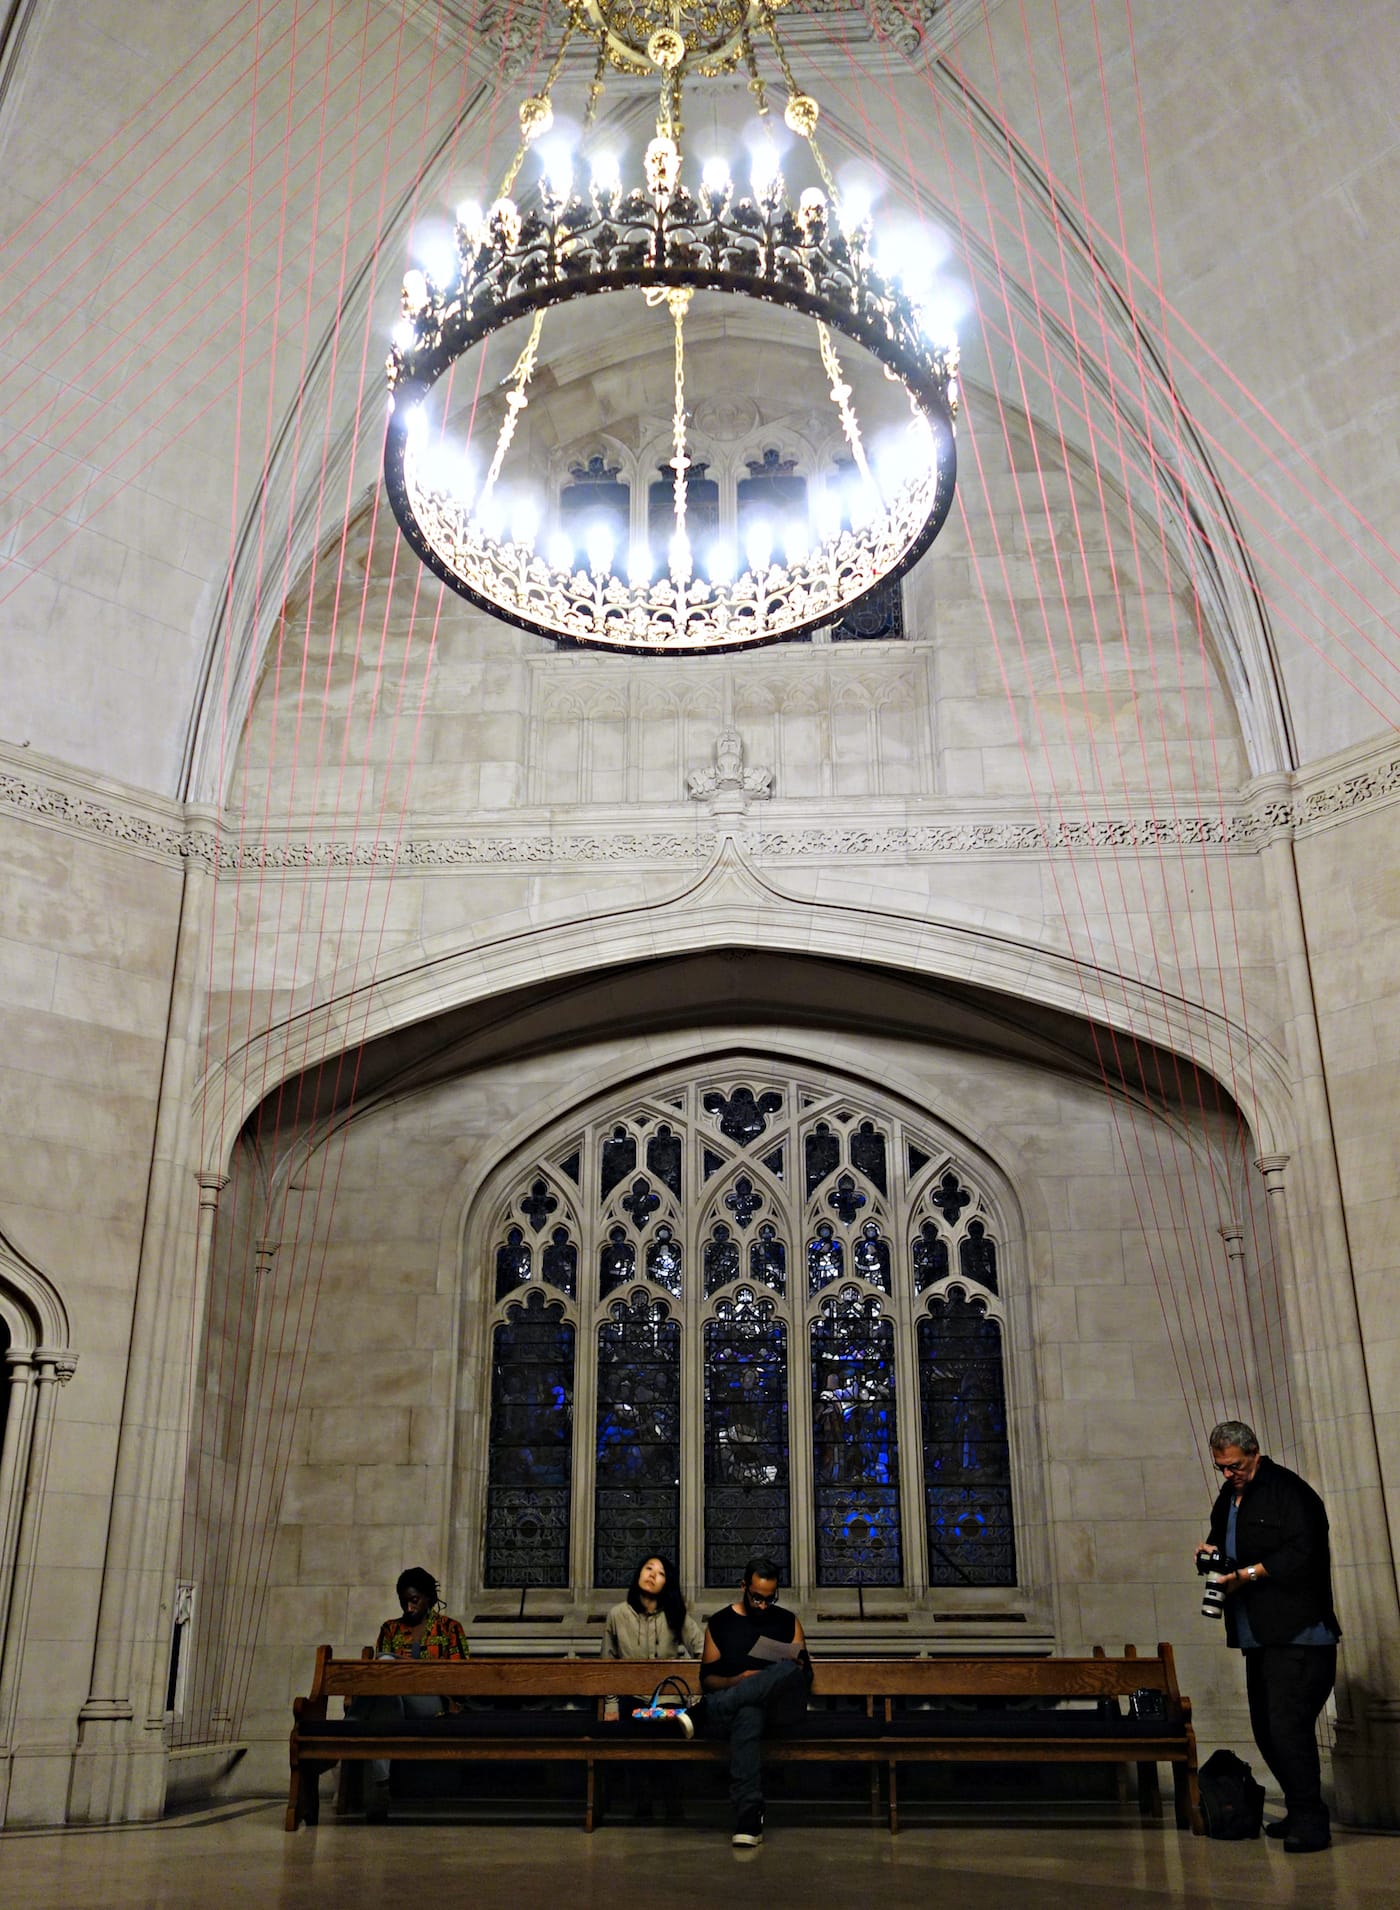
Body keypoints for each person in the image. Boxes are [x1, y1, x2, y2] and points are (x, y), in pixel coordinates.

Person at [1196, 1420, 1341, 1854]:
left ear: (1255, 1452)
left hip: (1298, 1633)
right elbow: (1226, 1548)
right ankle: (1299, 1811)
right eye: (1221, 1468)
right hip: (1256, 1633)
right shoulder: (1228, 1498)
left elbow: (1305, 1552)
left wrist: (1250, 1574)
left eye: (1235, 1466)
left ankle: (1312, 1822)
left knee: (1287, 1726)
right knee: (1265, 1728)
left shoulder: (1290, 1491)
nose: (1228, 1475)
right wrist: (1210, 1557)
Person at [698, 1556, 810, 1847]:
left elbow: (803, 1674)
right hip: (743, 1711)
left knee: (788, 1669)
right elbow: (708, 1678)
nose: (762, 1605)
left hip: (781, 1708)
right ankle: (749, 1814)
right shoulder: (721, 1623)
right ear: (743, 1586)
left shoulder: (787, 1621)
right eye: (756, 1598)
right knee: (748, 1711)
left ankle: (704, 1712)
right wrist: (740, 1679)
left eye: (769, 1600)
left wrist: (766, 1677)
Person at [354, 1566, 469, 1822]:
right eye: (403, 1601)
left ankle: (352, 1721)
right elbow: (379, 1682)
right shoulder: (390, 1629)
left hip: (432, 1704)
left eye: (414, 1600)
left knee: (385, 1662)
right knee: (387, 1699)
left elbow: (461, 1678)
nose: (408, 1607)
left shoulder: (450, 1628)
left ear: (428, 1597)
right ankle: (381, 1787)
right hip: (395, 1702)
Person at [602, 1553, 704, 1820]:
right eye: (648, 1568)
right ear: (638, 1573)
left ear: (665, 1584)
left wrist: (695, 1696)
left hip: (667, 1700)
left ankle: (673, 1803)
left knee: (671, 1736)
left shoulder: (675, 1615)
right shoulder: (617, 1615)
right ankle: (643, 1803)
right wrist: (610, 1706)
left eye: (660, 1573)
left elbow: (702, 1650)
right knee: (635, 1732)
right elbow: (607, 1664)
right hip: (632, 1698)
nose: (652, 1575)